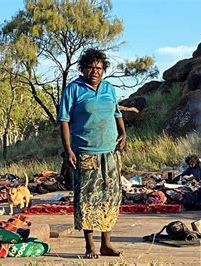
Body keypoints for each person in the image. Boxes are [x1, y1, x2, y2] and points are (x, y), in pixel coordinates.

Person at [58, 48, 126, 259]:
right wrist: (68, 149)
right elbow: (64, 121)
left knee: (111, 197)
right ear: (83, 68)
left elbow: (116, 112)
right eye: (91, 67)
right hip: (85, 153)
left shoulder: (109, 89)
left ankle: (106, 243)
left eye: (99, 67)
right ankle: (90, 246)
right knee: (87, 200)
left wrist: (123, 132)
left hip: (110, 152)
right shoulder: (73, 90)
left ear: (104, 69)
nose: (95, 71)